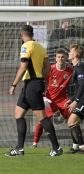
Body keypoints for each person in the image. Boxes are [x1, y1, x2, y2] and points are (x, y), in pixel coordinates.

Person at [5, 25, 63, 157]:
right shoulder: (40, 47)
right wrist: (40, 79)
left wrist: (13, 84)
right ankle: (19, 148)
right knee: (18, 114)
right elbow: (48, 68)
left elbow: (23, 67)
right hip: (33, 84)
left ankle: (56, 148)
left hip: (31, 85)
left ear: (22, 35)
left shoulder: (26, 46)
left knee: (42, 117)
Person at [30, 49, 74, 148]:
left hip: (63, 100)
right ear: (55, 58)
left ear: (66, 57)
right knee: (41, 121)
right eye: (58, 57)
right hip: (50, 100)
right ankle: (35, 143)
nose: (60, 59)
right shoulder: (51, 69)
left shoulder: (70, 70)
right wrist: (43, 95)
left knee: (74, 120)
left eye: (62, 57)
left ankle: (77, 144)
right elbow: (41, 81)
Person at [65, 44, 84, 154]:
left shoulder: (80, 67)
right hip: (80, 99)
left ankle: (82, 147)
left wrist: (76, 101)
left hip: (83, 100)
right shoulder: (76, 67)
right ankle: (75, 147)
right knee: (73, 122)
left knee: (72, 121)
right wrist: (72, 99)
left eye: (70, 51)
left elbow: (82, 85)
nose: (68, 53)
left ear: (76, 54)